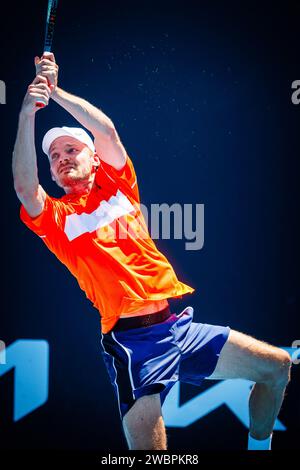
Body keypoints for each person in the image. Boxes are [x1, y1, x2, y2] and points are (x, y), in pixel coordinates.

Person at [12, 53, 292, 451]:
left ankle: (259, 447)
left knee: (277, 368)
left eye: (71, 150)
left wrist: (54, 93)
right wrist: (26, 114)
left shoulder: (121, 186)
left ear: (94, 160)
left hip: (177, 327)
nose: (61, 160)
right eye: (54, 158)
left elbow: (106, 132)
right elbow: (25, 187)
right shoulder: (57, 220)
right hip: (132, 345)